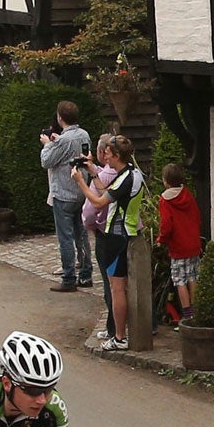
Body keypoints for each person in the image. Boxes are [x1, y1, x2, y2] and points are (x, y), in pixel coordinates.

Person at [77, 136, 145, 352]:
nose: (104, 155)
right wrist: (94, 173)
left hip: (117, 236)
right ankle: (119, 333)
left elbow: (98, 201)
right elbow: (107, 189)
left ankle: (119, 337)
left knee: (117, 289)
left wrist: (80, 181)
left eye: (107, 153)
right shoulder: (130, 173)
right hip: (128, 232)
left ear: (116, 156)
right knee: (119, 287)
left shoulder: (125, 179)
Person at [40, 102, 94, 293]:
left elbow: (46, 161)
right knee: (81, 234)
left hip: (63, 193)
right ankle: (86, 274)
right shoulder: (84, 135)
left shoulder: (64, 140)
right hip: (81, 191)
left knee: (65, 237)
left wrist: (48, 145)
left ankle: (69, 277)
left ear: (60, 118)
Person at [156, 160, 201, 327]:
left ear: (166, 181)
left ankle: (187, 314)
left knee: (180, 280)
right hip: (193, 242)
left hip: (178, 245)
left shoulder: (165, 200)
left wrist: (161, 239)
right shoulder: (188, 195)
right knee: (193, 277)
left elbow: (166, 224)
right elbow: (196, 216)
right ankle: (196, 312)